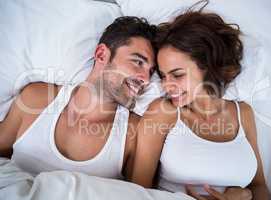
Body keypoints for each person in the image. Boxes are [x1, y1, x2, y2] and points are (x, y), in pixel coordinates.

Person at [131, 8, 270, 200]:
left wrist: (243, 195)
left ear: (206, 65)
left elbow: (260, 186)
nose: (166, 85)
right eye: (163, 76)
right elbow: (137, 191)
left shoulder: (243, 113)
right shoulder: (163, 113)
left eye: (177, 74)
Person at [0, 16, 156, 180]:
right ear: (101, 55)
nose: (145, 79)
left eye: (151, 72)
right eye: (138, 62)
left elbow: (141, 195)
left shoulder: (134, 133)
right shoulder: (36, 99)